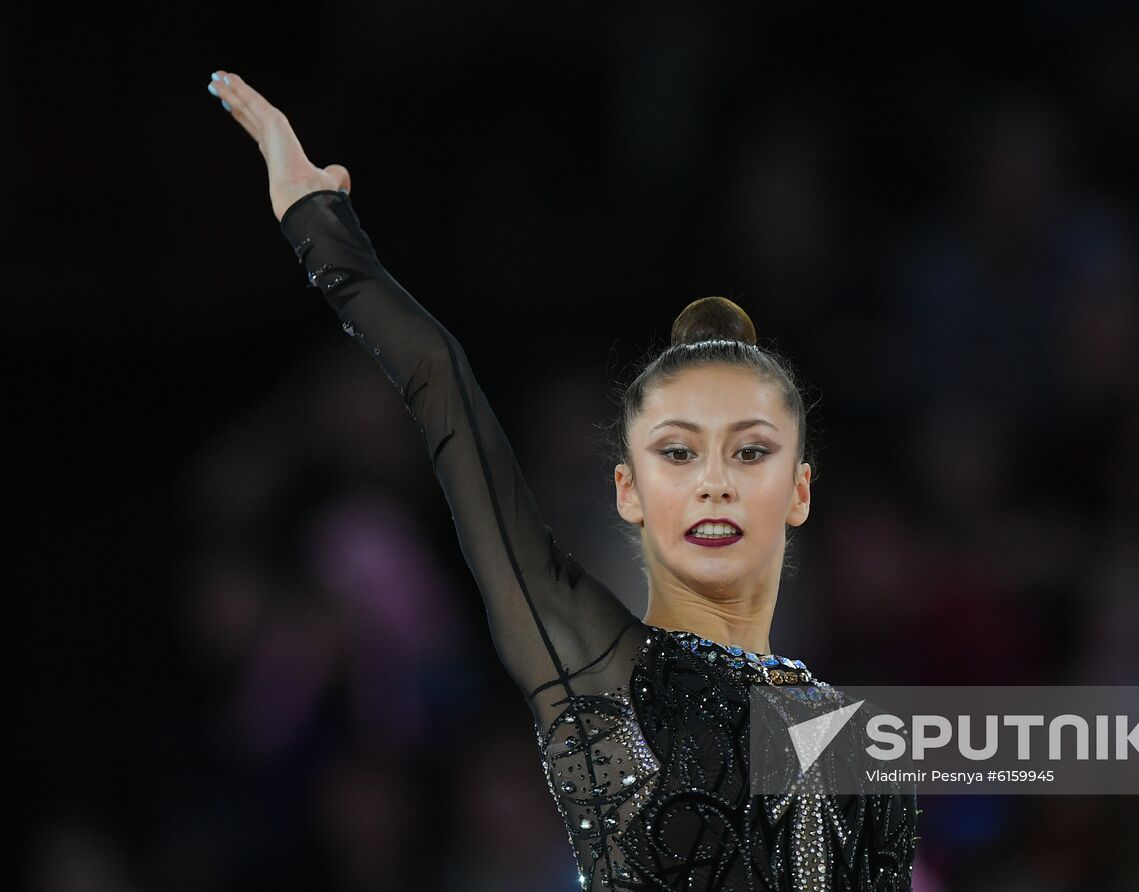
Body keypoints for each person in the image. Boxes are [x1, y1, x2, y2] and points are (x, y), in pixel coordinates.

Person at [208, 69, 919, 891]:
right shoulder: (585, 669)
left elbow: (1058, 747)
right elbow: (439, 383)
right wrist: (317, 224)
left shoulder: (826, 726)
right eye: (680, 458)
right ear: (628, 497)